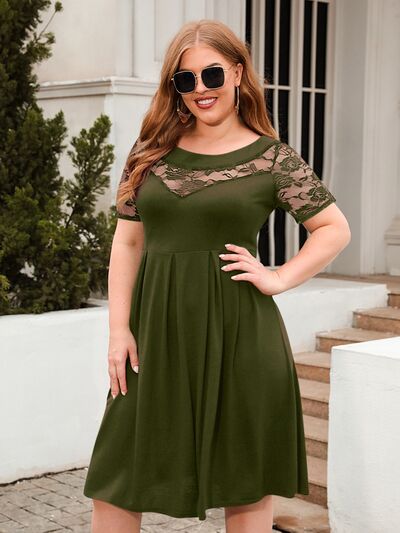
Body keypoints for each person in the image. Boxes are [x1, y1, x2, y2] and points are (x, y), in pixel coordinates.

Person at [83, 18, 351, 533]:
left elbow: (333, 228)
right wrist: (118, 330)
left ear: (237, 72)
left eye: (211, 74)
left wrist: (279, 277)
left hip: (240, 336)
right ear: (175, 87)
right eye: (186, 79)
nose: (200, 89)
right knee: (116, 480)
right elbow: (128, 241)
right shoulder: (149, 151)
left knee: (244, 484)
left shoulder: (272, 158)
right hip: (153, 335)